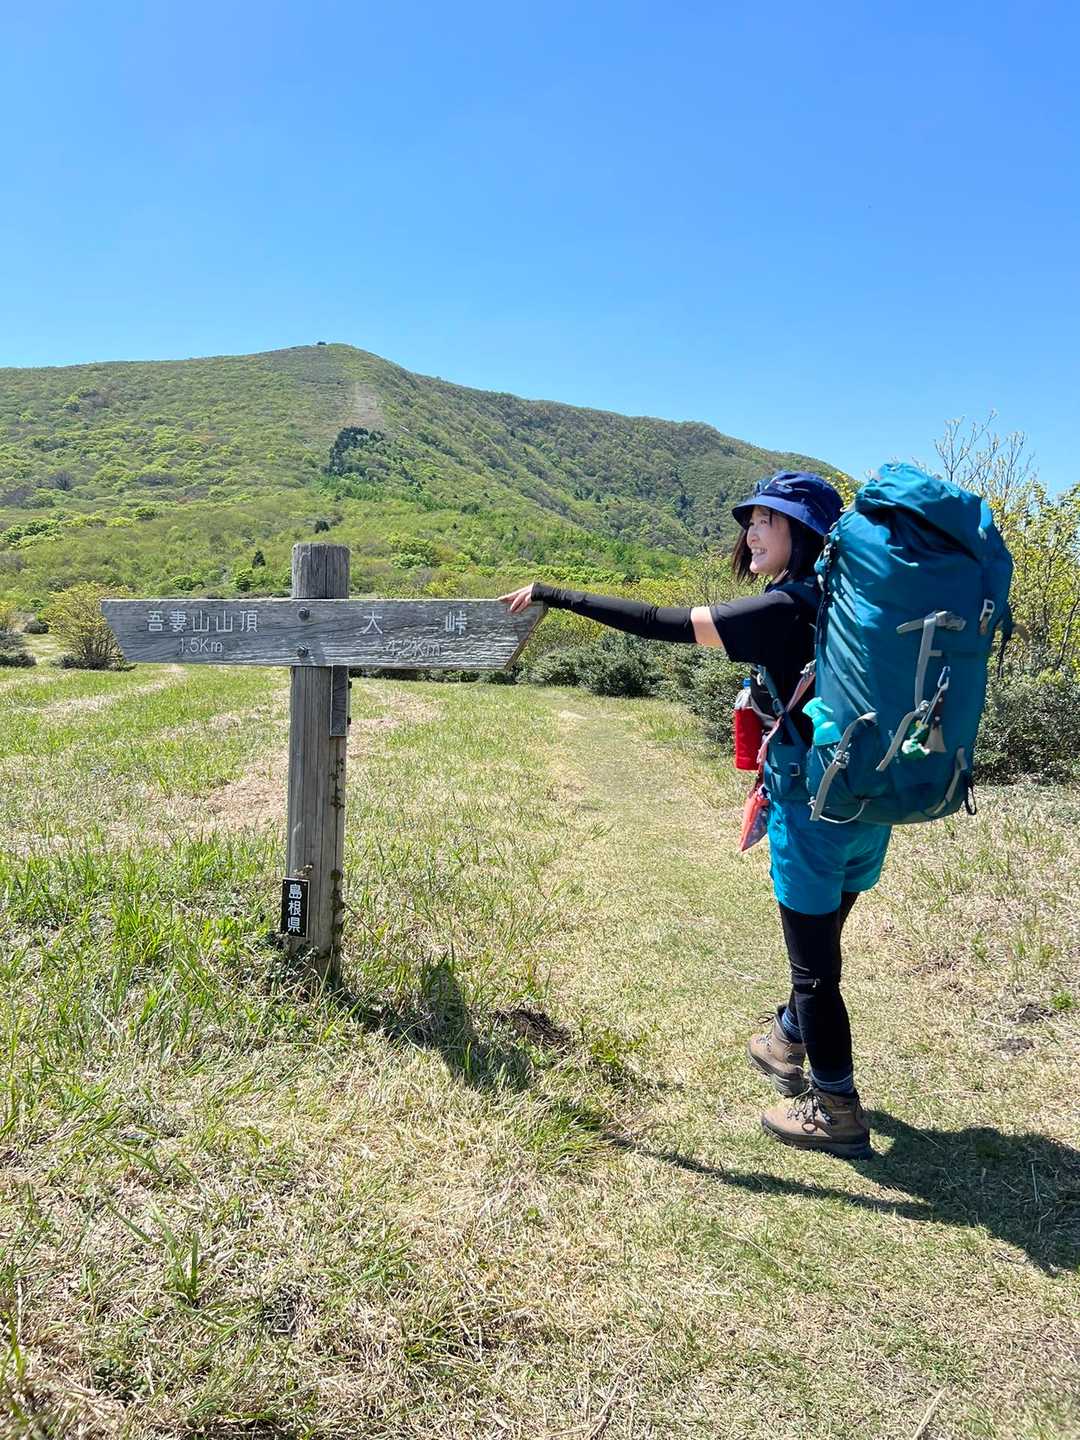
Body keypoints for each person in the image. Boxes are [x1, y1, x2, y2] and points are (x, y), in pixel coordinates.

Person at [498, 471, 891, 1160]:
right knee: (824, 941)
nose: (752, 532)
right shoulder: (853, 606)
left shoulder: (783, 608)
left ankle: (836, 1109)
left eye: (767, 520)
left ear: (802, 533)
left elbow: (660, 622)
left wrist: (556, 594)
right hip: (867, 805)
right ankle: (785, 1038)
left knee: (815, 971)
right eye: (751, 520)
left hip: (810, 808)